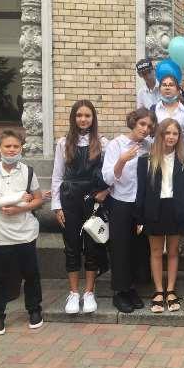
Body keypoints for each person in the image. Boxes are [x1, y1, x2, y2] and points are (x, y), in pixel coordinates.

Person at [0, 130, 44, 336]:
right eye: (7, 146)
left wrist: (19, 209)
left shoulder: (28, 172)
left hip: (25, 233)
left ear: (21, 148)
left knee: (31, 274)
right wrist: (10, 200)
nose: (11, 150)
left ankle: (34, 310)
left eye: (16, 146)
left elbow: (38, 199)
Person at [51, 100, 109, 314]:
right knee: (71, 245)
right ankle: (74, 292)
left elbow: (110, 173)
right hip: (70, 198)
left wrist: (105, 192)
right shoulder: (63, 143)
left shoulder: (102, 143)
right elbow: (57, 176)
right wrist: (57, 206)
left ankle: (89, 292)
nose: (83, 119)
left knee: (92, 244)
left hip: (92, 199)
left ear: (93, 118)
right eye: (79, 115)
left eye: (87, 115)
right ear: (73, 118)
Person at [102, 107, 156, 313]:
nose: (145, 129)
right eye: (142, 124)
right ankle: (119, 292)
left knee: (138, 248)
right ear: (133, 122)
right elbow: (108, 178)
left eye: (149, 126)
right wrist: (122, 160)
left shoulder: (148, 146)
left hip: (140, 204)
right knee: (120, 247)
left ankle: (131, 288)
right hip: (120, 202)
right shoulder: (116, 144)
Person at [136, 119, 184, 313]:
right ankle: (158, 291)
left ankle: (171, 290)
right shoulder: (146, 160)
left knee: (174, 251)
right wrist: (139, 218)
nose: (171, 137)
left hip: (175, 209)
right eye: (167, 133)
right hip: (154, 210)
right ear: (160, 135)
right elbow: (141, 191)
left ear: (179, 137)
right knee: (156, 251)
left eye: (175, 133)